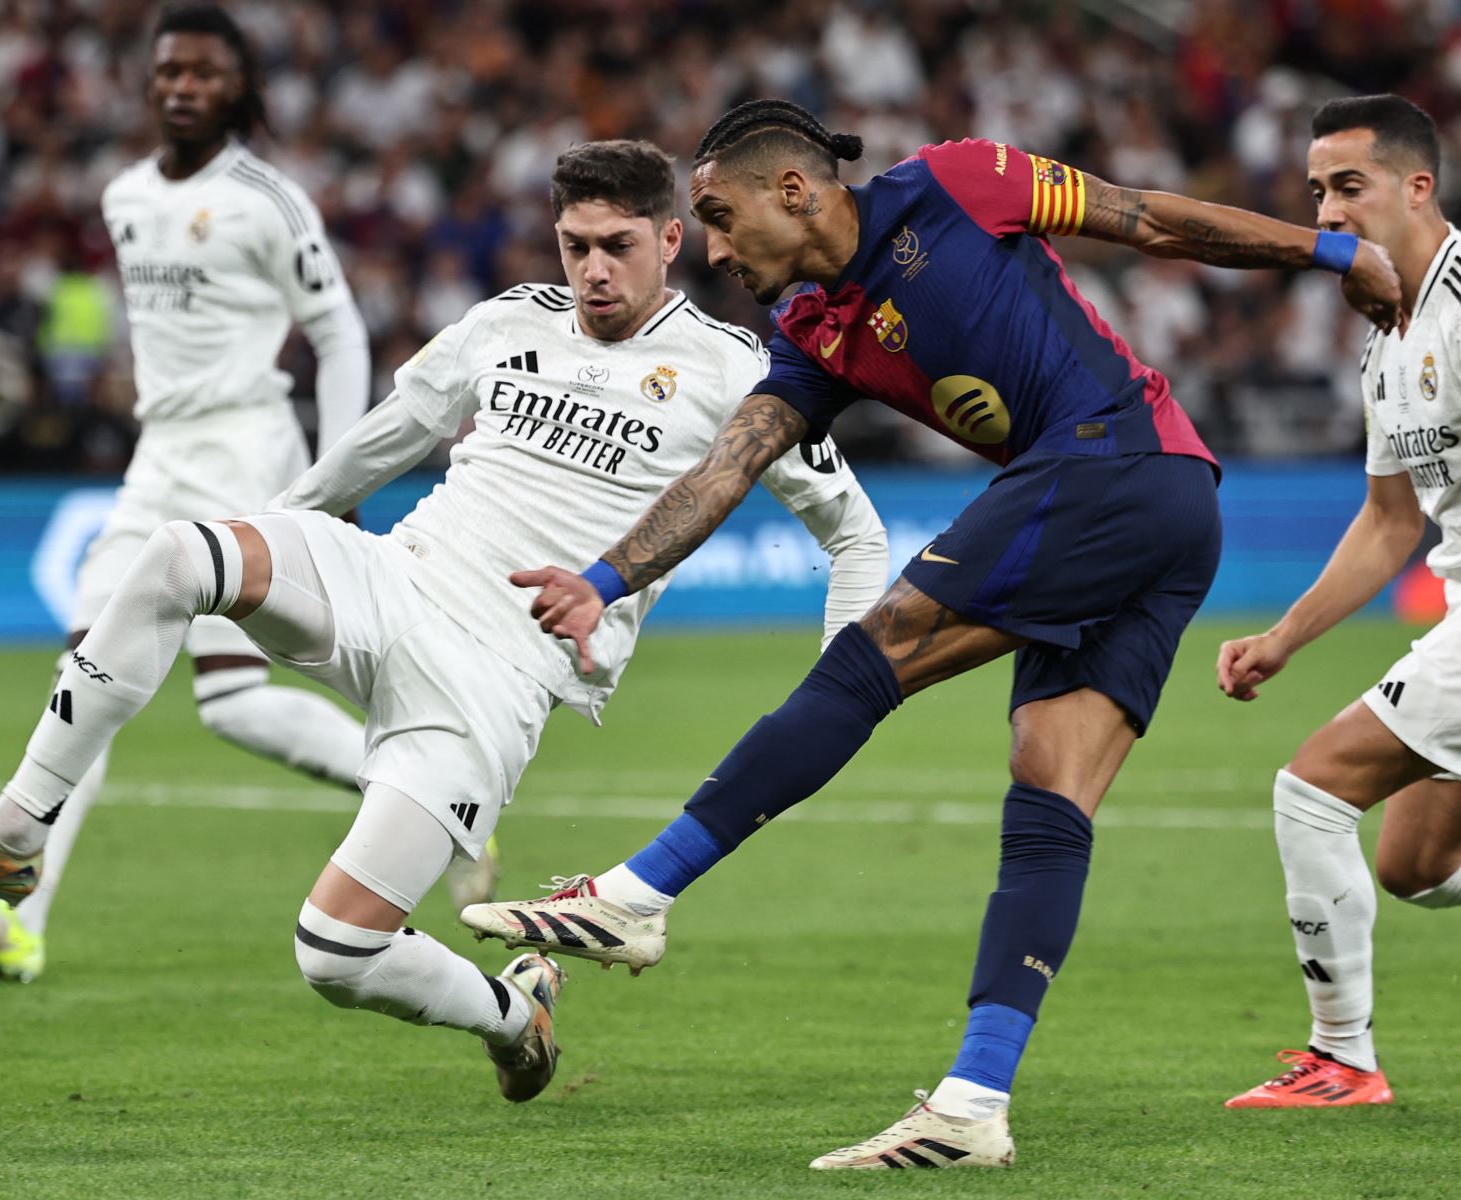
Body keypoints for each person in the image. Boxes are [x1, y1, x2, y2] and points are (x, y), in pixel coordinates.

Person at [461, 99, 1404, 1168]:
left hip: (1116, 460)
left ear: (793, 190)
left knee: (874, 655)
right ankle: (973, 1103)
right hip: (1169, 513)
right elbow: (730, 465)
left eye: (718, 218)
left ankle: (640, 893)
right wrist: (602, 577)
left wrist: (1334, 251)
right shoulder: (815, 331)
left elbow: (1146, 219)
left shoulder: (957, 182)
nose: (713, 250)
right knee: (1048, 795)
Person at [0, 138, 890, 1102]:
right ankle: (17, 830)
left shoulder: (732, 368)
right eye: (575, 246)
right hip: (397, 576)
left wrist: (832, 693)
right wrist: (282, 529)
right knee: (181, 555)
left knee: (333, 954)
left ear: (672, 241)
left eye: (619, 247)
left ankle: (509, 1012)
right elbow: (389, 438)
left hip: (498, 681)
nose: (594, 272)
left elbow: (855, 536)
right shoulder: (507, 321)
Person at [0, 5, 375, 983]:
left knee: (238, 705)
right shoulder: (122, 197)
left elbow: (340, 333)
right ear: (147, 83)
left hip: (251, 453)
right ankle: (19, 923)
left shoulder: (269, 201)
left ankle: (423, 790)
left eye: (203, 72)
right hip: (158, 461)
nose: (182, 86)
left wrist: (342, 471)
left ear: (236, 88)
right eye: (168, 71)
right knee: (87, 680)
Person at [1219, 95, 1461, 1110]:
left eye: (1348, 187)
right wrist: (1285, 637)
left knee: (1311, 790)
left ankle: (1343, 1059)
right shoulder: (1384, 342)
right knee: (1413, 863)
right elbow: (1389, 521)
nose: (1328, 210)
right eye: (1317, 191)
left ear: (1418, 186)